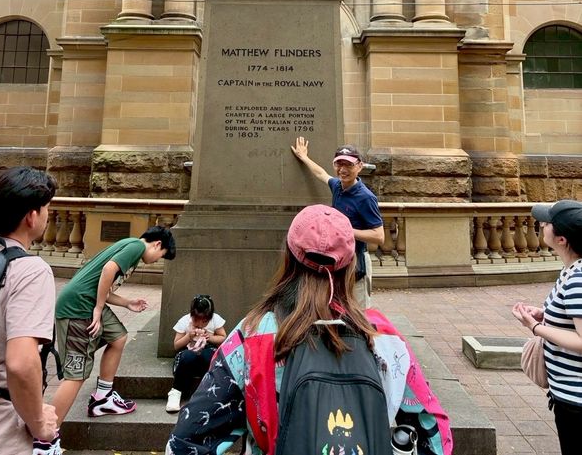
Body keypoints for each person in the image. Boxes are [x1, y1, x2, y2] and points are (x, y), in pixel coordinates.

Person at [166, 204, 452, 455]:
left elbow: (185, 442)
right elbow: (435, 433)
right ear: (351, 264)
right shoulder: (385, 337)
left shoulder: (253, 336)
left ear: (288, 257)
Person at [42, 225, 176, 449]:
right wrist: (98, 309)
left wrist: (126, 303)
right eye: (161, 256)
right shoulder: (135, 245)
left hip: (85, 301)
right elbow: (108, 270)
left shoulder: (130, 249)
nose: (157, 261)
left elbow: (102, 284)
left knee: (118, 337)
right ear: (157, 244)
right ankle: (45, 438)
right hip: (78, 307)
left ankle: (103, 398)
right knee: (77, 374)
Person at [0, 167, 60, 455]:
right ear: (31, 216)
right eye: (46, 209)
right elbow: (21, 364)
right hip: (1, 425)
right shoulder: (30, 271)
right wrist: (39, 424)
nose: (47, 216)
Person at [513, 199, 582, 455]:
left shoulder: (577, 279)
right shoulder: (570, 270)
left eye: (548, 223)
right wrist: (545, 315)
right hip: (567, 394)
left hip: (576, 399)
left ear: (562, 239)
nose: (542, 225)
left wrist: (535, 327)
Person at [290, 137, 384, 307]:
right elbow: (321, 174)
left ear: (360, 166)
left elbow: (379, 236)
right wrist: (303, 157)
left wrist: (342, 230)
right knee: (338, 307)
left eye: (348, 164)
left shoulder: (366, 197)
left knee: (358, 310)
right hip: (337, 260)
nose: (343, 169)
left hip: (357, 263)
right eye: (339, 164)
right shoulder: (338, 186)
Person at [166, 294, 226, 413]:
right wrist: (189, 336)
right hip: (188, 352)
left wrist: (210, 337)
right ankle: (176, 391)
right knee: (188, 356)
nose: (199, 324)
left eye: (204, 321)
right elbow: (176, 345)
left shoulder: (215, 319)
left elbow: (223, 338)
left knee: (211, 357)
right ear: (191, 315)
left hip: (207, 350)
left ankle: (208, 392)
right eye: (196, 320)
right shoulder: (184, 321)